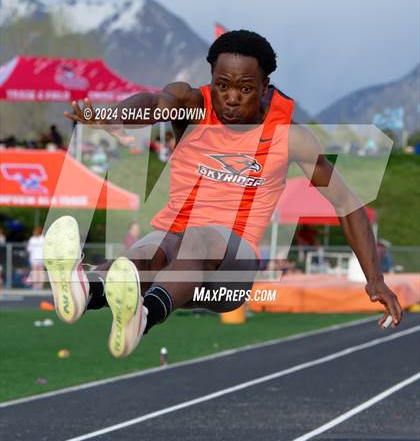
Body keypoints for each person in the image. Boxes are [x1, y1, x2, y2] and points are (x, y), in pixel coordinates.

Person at [44, 30, 402, 359]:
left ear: (265, 87)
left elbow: (346, 202)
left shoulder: (291, 137)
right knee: (145, 253)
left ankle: (143, 315)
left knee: (199, 237)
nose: (231, 99)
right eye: (222, 86)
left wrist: (375, 278)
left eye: (245, 88)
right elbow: (155, 103)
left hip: (232, 272)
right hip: (176, 261)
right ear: (211, 81)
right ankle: (84, 292)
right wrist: (114, 115)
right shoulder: (192, 104)